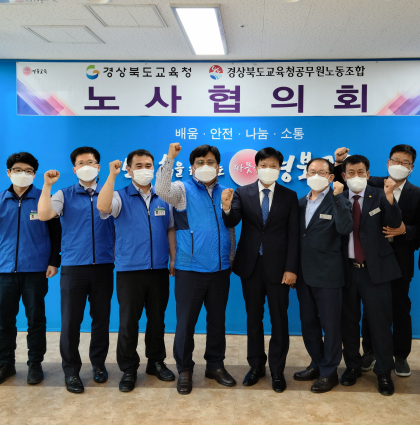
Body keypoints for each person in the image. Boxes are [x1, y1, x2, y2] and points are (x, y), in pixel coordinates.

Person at [0, 152, 61, 387]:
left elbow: (56, 233)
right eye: (18, 170)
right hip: (4, 269)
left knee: (36, 320)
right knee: (5, 321)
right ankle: (5, 364)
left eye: (29, 171)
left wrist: (54, 261)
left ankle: (35, 364)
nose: (23, 174)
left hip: (36, 269)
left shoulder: (44, 198)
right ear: (9, 173)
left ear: (35, 174)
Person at [334, 145, 420, 377]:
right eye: (396, 161)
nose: (399, 165)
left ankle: (399, 357)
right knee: (366, 314)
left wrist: (404, 230)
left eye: (405, 163)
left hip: (398, 259)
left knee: (397, 310)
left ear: (412, 167)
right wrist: (337, 163)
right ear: (387, 162)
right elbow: (344, 178)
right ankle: (369, 352)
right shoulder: (372, 183)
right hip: (360, 264)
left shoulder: (417, 193)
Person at [155, 143, 237, 395]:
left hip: (220, 269)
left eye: (210, 162)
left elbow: (230, 227)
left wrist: (230, 258)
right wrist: (170, 158)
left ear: (218, 166)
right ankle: (184, 369)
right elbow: (161, 189)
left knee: (217, 322)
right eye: (200, 162)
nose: (205, 166)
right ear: (191, 167)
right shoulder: (182, 190)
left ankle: (215, 365)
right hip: (190, 268)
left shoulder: (227, 192)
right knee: (186, 323)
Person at [221, 147, 300, 393]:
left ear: (280, 168)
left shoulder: (289, 195)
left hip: (279, 268)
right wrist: (226, 207)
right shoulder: (242, 192)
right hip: (251, 266)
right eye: (264, 165)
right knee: (253, 319)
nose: (268, 169)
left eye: (273, 165)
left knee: (279, 320)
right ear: (256, 167)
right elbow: (232, 220)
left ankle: (277, 370)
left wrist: (291, 268)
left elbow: (294, 235)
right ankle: (256, 366)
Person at [97, 149, 176, 392]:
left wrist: (173, 258)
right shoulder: (120, 196)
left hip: (158, 269)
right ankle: (129, 368)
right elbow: (103, 206)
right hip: (129, 270)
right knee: (129, 322)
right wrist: (111, 176)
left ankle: (156, 362)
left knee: (157, 320)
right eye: (139, 166)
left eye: (148, 165)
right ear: (129, 170)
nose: (144, 170)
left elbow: (170, 229)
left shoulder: (163, 197)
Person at [38, 146, 115, 394]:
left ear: (98, 167)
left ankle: (99, 364)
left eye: (91, 162)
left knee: (101, 320)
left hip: (103, 266)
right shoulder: (64, 194)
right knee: (71, 322)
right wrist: (47, 186)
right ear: (74, 169)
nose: (86, 166)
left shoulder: (109, 193)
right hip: (74, 268)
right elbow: (44, 214)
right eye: (81, 163)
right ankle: (71, 371)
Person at [339, 154, 402, 396]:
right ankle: (352, 367)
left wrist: (390, 197)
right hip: (346, 271)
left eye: (360, 172)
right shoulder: (338, 198)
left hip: (376, 272)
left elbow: (394, 223)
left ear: (368, 174)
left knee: (380, 324)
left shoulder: (380, 194)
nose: (356, 176)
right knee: (348, 323)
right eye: (351, 173)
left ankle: (384, 372)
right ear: (344, 176)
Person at [293, 158, 352, 393]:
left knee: (331, 326)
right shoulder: (300, 203)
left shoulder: (338, 199)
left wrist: (338, 197)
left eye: (321, 172)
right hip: (304, 275)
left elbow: (344, 228)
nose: (316, 175)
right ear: (306, 175)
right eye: (312, 171)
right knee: (308, 324)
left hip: (329, 274)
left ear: (331, 177)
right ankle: (316, 363)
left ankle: (329, 371)